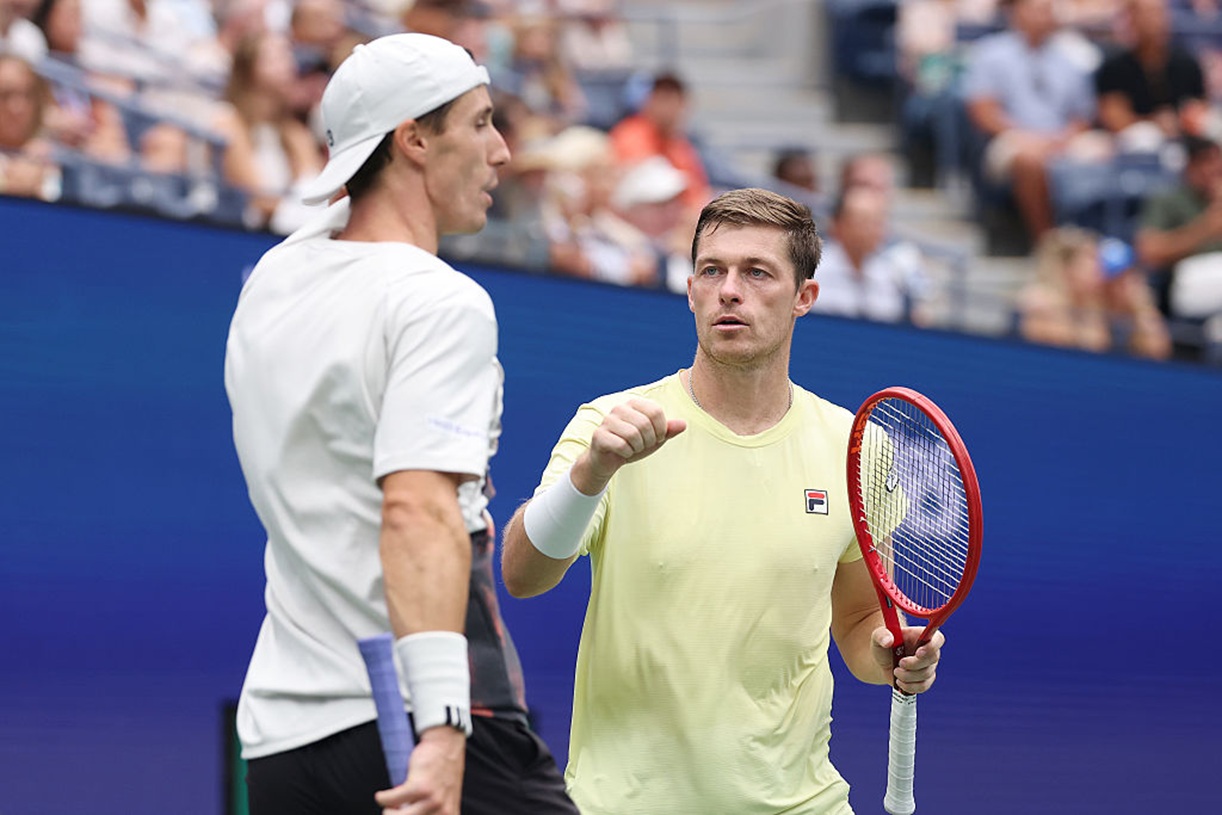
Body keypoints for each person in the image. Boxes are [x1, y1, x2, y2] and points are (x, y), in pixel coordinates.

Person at [501, 187, 946, 815]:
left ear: (804, 298)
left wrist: (891, 655)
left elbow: (857, 625)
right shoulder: (610, 424)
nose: (728, 290)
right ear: (690, 291)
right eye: (712, 270)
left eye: (757, 272)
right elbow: (521, 574)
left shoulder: (857, 448)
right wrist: (591, 473)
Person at [224, 33, 578, 815]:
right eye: (481, 123)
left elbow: (325, 220)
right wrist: (443, 726)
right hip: (422, 723)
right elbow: (417, 510)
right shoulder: (440, 301)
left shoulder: (273, 281)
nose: (502, 153)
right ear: (413, 138)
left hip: (284, 742)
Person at [962, 0, 1107, 241]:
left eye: (1047, 10)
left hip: (1062, 139)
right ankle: (1046, 243)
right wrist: (1028, 137)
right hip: (1011, 138)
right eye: (1035, 9)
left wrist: (1064, 138)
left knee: (1108, 153)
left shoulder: (1070, 58)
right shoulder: (991, 52)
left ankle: (1091, 239)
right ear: (1016, 12)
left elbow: (1083, 116)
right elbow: (982, 112)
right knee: (1029, 160)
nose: (1042, 16)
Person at [1018, 225, 1172, 359]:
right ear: (1067, 267)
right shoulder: (1041, 298)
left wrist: (1141, 306)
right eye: (1091, 258)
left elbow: (1158, 350)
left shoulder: (1094, 304)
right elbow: (1071, 350)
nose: (1099, 267)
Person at [1094, 0, 1209, 153]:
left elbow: (1200, 107)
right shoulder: (1114, 68)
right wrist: (1155, 123)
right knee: (1144, 138)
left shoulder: (1187, 62)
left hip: (1185, 138)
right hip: (1135, 145)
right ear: (1131, 19)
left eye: (1158, 13)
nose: (1153, 21)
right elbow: (1114, 119)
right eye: (1145, 14)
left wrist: (1182, 120)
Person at [1135, 134, 1222, 335]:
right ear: (1190, 167)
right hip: (1187, 280)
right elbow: (1149, 252)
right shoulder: (1168, 199)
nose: (1216, 172)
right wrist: (1206, 228)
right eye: (1208, 163)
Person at [810, 185, 931, 325]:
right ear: (838, 224)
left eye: (878, 222)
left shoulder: (889, 275)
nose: (874, 230)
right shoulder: (815, 271)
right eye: (864, 222)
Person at [608, 69, 711, 212]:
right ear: (648, 102)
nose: (666, 108)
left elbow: (697, 192)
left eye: (672, 99)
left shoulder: (680, 144)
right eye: (661, 98)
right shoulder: (631, 134)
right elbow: (646, 186)